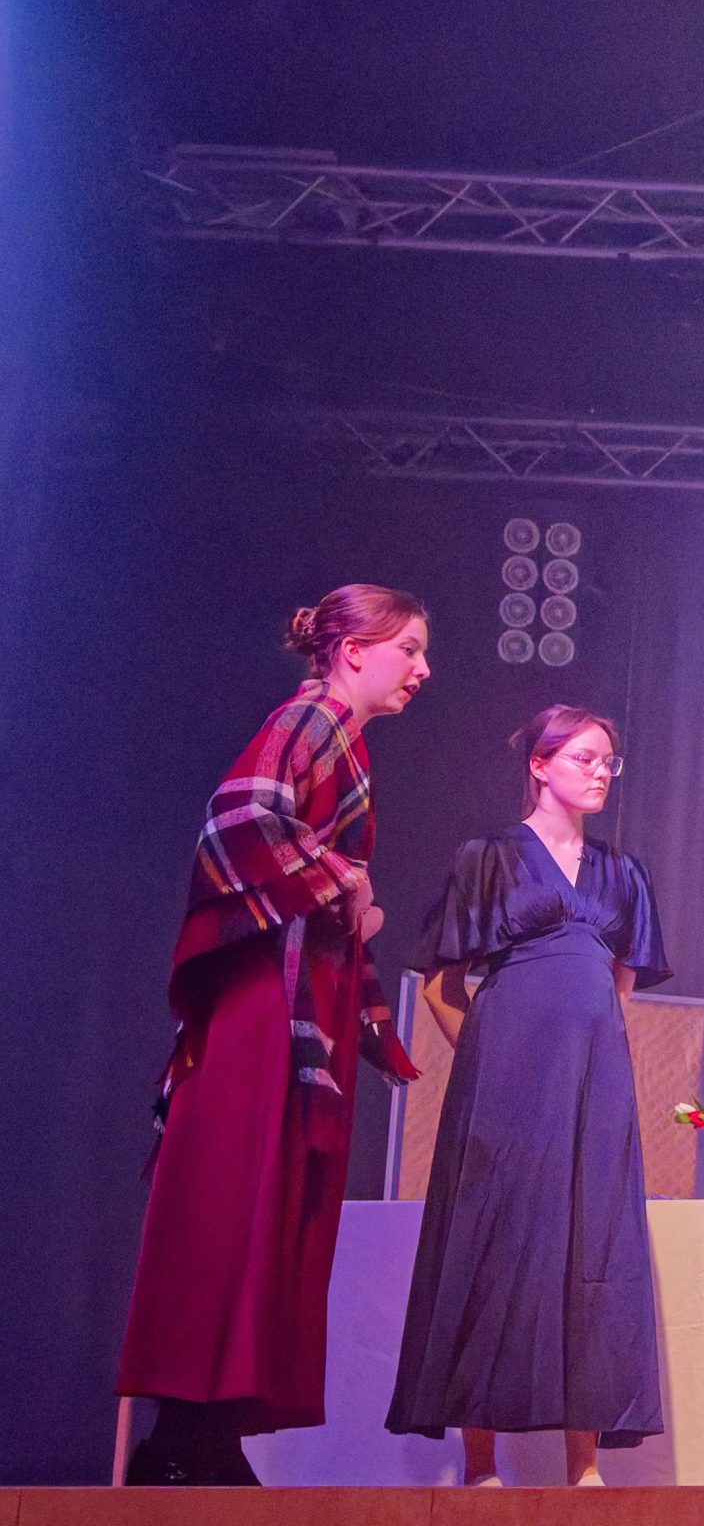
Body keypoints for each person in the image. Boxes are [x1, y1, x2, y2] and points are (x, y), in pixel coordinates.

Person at [118, 586, 431, 1486]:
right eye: (408, 648)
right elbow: (239, 817)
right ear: (353, 649)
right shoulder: (313, 718)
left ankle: (203, 1433)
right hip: (268, 1001)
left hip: (301, 998)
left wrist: (347, 902)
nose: (422, 669)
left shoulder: (342, 736)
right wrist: (342, 882)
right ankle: (184, 1433)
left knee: (273, 1201)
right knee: (237, 1190)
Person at [387, 705, 671, 1485]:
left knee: (593, 1240)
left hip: (593, 1076)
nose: (601, 771)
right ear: (540, 765)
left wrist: (597, 1051)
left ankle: (584, 1466)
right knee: (494, 1237)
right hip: (504, 1075)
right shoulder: (489, 857)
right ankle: (480, 1465)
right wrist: (486, 1055)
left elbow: (621, 984)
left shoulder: (623, 872)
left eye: (608, 760)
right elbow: (441, 984)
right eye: (584, 757)